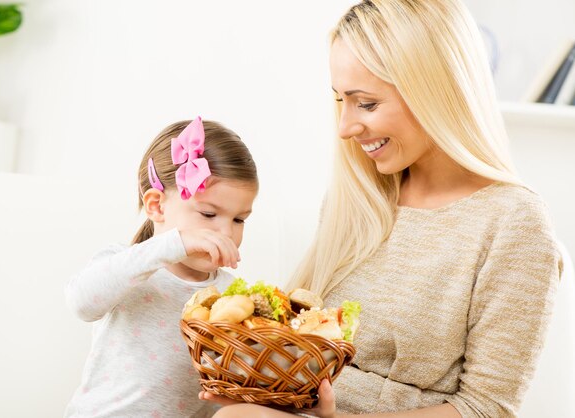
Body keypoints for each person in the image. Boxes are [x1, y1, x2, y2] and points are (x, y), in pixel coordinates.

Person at [201, 1, 563, 417]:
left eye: (366, 103)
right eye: (340, 100)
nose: (345, 127)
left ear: (433, 91)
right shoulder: (358, 199)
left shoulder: (513, 223)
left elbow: (486, 408)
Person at [64, 117, 259, 418]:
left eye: (238, 219)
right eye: (208, 214)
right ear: (156, 206)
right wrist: (173, 244)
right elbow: (81, 303)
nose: (226, 232)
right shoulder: (128, 266)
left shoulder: (231, 296)